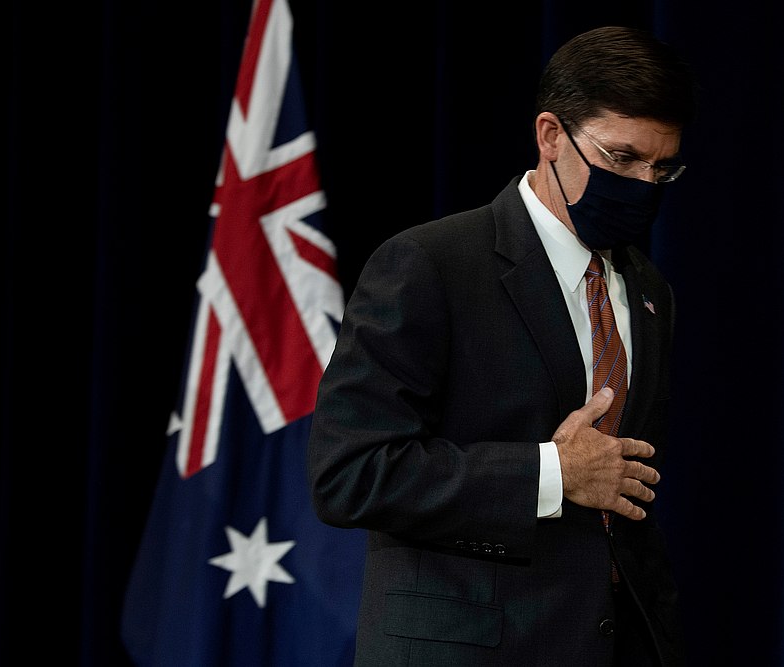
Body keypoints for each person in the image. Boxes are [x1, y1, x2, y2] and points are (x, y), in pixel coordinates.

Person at [308, 25, 698, 666]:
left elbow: (626, 504)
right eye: (621, 160)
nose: (643, 186)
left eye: (662, 169)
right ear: (550, 135)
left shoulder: (649, 291)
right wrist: (551, 473)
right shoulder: (430, 265)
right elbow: (348, 474)